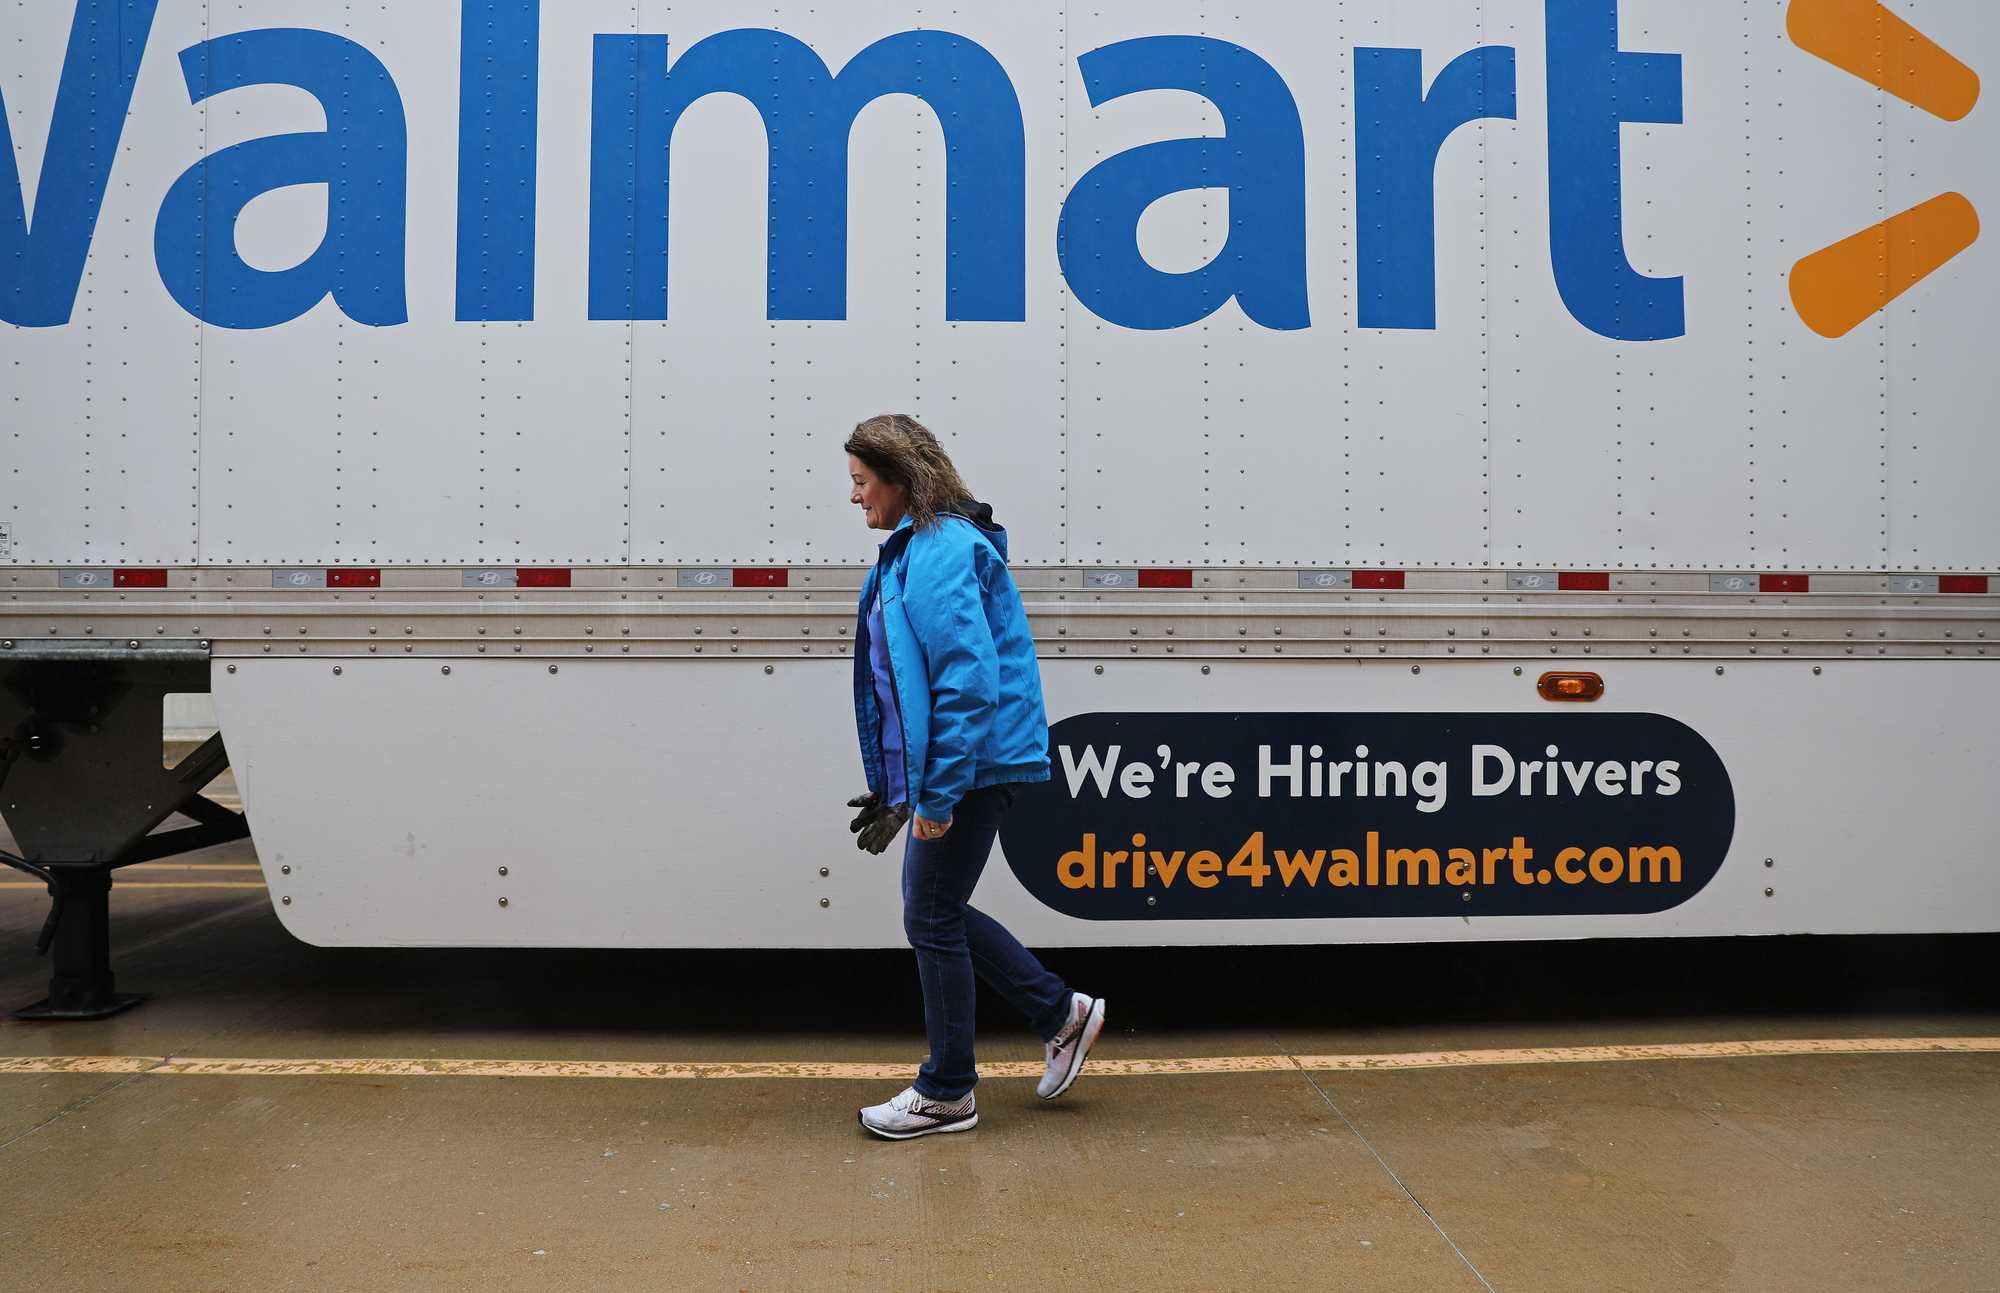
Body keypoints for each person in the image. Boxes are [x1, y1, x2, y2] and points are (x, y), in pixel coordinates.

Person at [843, 413, 1107, 1140]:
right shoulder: (921, 549)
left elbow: (965, 678)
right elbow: (915, 683)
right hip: (972, 762)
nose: (856, 498)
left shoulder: (936, 551)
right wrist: (903, 783)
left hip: (975, 765)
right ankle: (1061, 1013)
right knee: (937, 909)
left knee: (929, 913)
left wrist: (940, 790)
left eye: (862, 482)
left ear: (898, 478)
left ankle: (949, 1088)